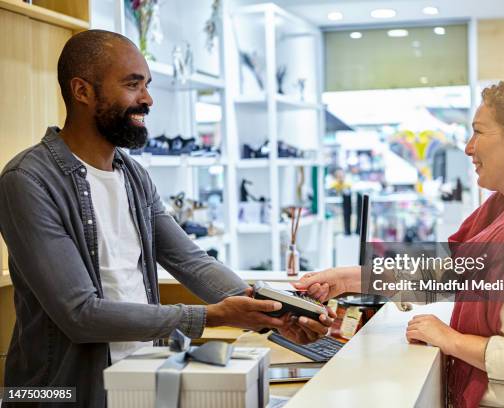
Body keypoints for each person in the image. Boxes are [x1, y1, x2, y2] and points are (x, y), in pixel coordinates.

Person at [0, 30, 333, 407]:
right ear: (82, 91)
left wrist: (270, 310)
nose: (147, 99)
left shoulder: (133, 176)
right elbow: (80, 314)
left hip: (141, 381)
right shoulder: (27, 181)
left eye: (146, 84)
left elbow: (190, 260)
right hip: (58, 394)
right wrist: (209, 316)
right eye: (132, 84)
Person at [294, 74, 504, 407]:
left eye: (478, 131)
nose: (468, 147)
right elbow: (448, 273)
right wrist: (350, 278)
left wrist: (454, 341)